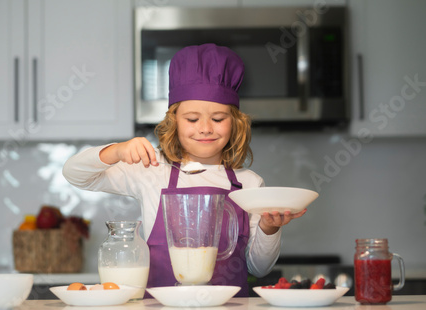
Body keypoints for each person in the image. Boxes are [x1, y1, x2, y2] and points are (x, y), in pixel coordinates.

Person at [62, 43, 306, 296]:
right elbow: (75, 174)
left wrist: (270, 228)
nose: (205, 128)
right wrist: (117, 151)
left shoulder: (249, 184)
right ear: (174, 121)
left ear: (235, 124)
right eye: (192, 119)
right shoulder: (152, 170)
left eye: (218, 118)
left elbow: (260, 267)